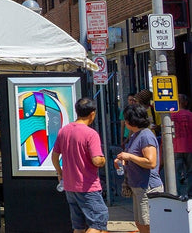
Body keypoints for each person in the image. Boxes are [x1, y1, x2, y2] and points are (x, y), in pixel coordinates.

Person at [50, 98, 108, 233]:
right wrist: (103, 159)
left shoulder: (64, 131)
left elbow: (54, 156)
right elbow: (97, 161)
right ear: (92, 114)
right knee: (98, 222)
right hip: (88, 186)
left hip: (70, 186)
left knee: (79, 226)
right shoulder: (91, 134)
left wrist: (60, 173)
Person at [118, 104, 163, 233]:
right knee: (140, 223)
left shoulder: (146, 136)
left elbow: (151, 162)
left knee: (147, 224)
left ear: (131, 121)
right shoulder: (135, 135)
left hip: (147, 187)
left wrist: (129, 156)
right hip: (138, 186)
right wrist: (122, 159)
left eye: (126, 119)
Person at [172, 94, 192, 197]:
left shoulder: (171, 115)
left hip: (176, 147)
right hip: (189, 147)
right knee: (190, 172)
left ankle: (177, 194)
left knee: (176, 173)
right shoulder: (190, 115)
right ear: (186, 103)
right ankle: (190, 193)